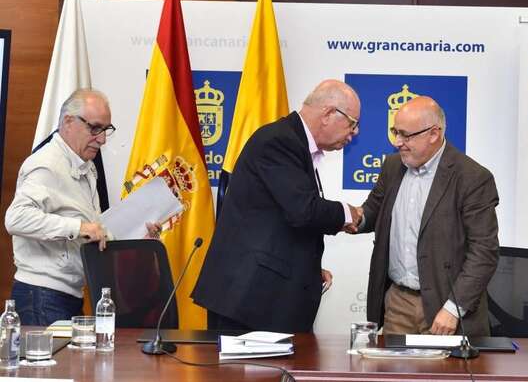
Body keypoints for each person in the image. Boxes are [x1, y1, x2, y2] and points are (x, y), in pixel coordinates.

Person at [192, 79, 363, 333]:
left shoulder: (294, 143)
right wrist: (349, 212)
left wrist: (306, 270)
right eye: (352, 123)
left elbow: (275, 222)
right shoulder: (280, 141)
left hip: (263, 297)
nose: (355, 133)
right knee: (240, 374)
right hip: (247, 301)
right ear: (328, 114)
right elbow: (303, 211)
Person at [5, 88, 157, 325]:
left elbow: (95, 230)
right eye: (95, 128)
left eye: (106, 130)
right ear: (68, 121)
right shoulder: (46, 165)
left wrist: (139, 236)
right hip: (42, 295)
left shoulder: (85, 166)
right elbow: (16, 218)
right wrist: (78, 227)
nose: (103, 139)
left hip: (68, 295)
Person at [355, 96, 499, 335]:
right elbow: (370, 213)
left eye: (405, 135)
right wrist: (337, 215)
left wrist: (453, 310)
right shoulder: (392, 167)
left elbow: (484, 252)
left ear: (434, 134)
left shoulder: (472, 178)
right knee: (392, 373)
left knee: (444, 374)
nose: (397, 142)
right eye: (395, 132)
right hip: (397, 304)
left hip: (446, 308)